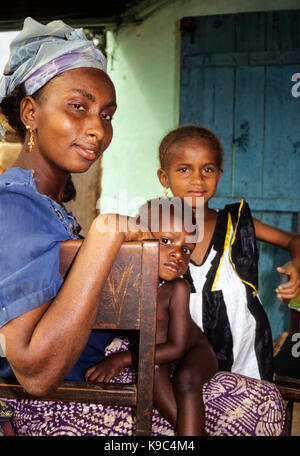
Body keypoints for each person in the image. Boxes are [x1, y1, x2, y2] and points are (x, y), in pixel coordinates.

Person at [0, 19, 286, 436]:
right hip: (63, 401)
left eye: (107, 114)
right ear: (30, 112)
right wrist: (105, 236)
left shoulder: (49, 208)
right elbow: (37, 375)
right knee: (255, 409)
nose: (99, 129)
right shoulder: (14, 207)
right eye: (78, 107)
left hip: (96, 372)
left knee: (257, 397)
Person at [157, 124, 300, 382]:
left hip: (245, 348)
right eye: (184, 169)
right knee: (192, 407)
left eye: (207, 169)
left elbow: (294, 240)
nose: (198, 179)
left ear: (219, 175)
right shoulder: (154, 229)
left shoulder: (238, 223)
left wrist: (297, 262)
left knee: (245, 414)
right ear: (164, 178)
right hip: (182, 348)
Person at [84, 197, 218, 436]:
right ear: (138, 234)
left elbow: (176, 347)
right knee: (152, 370)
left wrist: (122, 359)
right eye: (166, 241)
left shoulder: (177, 289)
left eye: (186, 249)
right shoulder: (127, 280)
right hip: (156, 352)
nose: (178, 254)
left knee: (186, 380)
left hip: (195, 351)